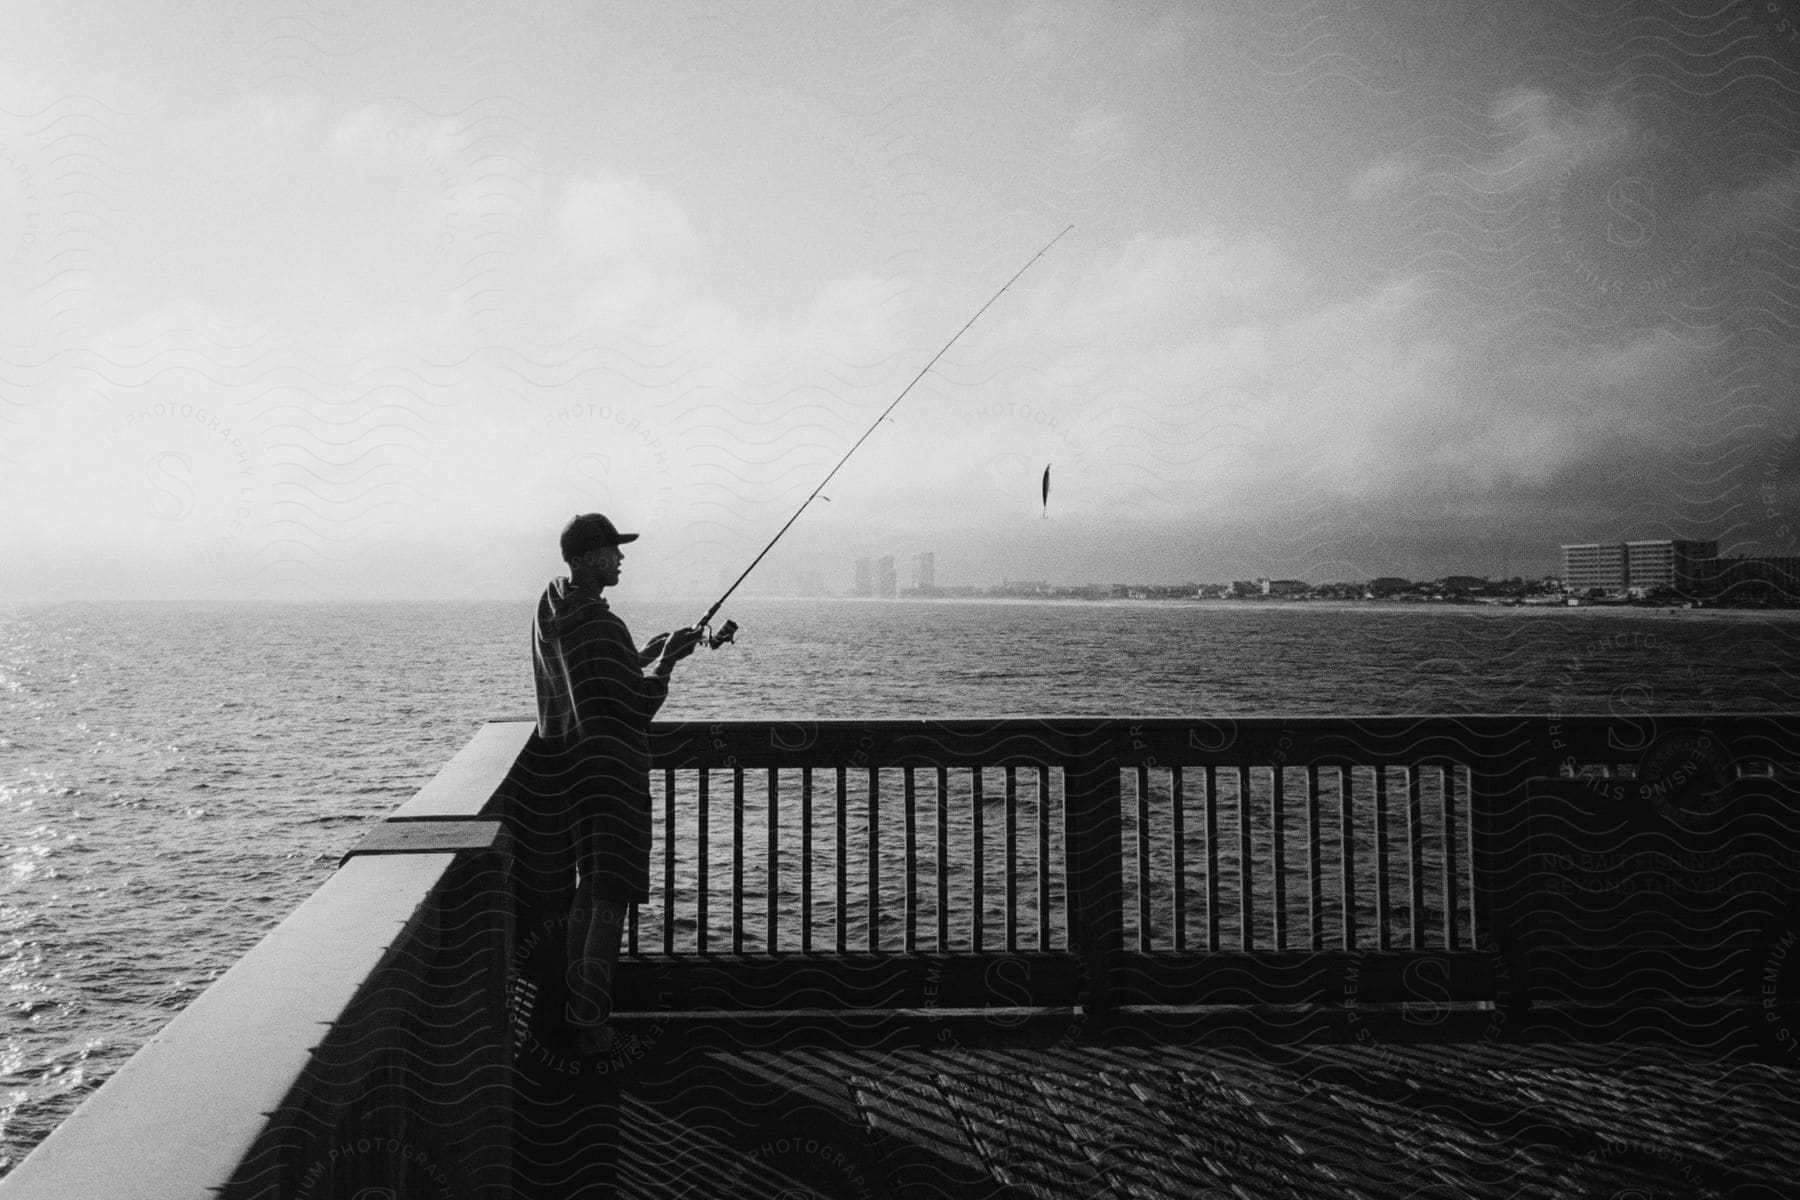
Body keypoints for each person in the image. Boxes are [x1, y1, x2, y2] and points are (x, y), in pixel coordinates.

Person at [531, 511, 701, 1056]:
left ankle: (577, 1014)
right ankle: (592, 1030)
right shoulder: (602, 623)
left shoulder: (552, 604)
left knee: (590, 893)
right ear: (584, 559)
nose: (620, 557)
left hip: (571, 772)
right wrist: (668, 665)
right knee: (612, 902)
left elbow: (590, 674)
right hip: (614, 778)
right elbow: (635, 705)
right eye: (610, 550)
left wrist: (643, 654)